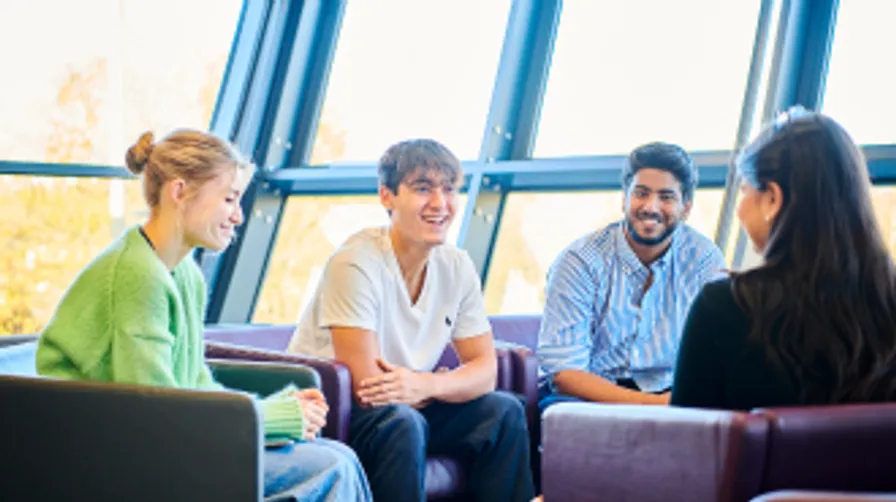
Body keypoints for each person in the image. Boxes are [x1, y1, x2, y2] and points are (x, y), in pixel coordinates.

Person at [36, 130, 372, 502]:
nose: (240, 216)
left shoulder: (184, 275)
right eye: (229, 199)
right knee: (331, 468)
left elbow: (193, 385)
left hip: (154, 442)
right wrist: (274, 418)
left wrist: (277, 414)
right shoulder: (136, 276)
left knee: (340, 456)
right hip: (108, 454)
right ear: (179, 192)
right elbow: (156, 413)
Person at [288, 139, 535, 502]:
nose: (440, 203)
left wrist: (427, 386)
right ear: (387, 196)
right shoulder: (355, 262)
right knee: (402, 422)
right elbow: (366, 387)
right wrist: (438, 384)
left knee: (503, 412)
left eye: (449, 189)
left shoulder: (457, 265)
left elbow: (485, 371)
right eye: (422, 188)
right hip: (337, 410)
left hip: (407, 401)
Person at [671, 109, 896, 410]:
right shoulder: (886, 303)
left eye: (745, 191)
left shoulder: (725, 308)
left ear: (772, 199)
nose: (739, 210)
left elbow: (683, 445)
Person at [537, 142, 726, 411]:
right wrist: (654, 406)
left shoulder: (703, 260)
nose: (651, 207)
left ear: (686, 208)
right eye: (641, 193)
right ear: (624, 198)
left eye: (666, 197)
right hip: (589, 395)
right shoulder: (579, 261)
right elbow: (564, 374)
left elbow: (714, 356)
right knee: (559, 409)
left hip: (670, 391)